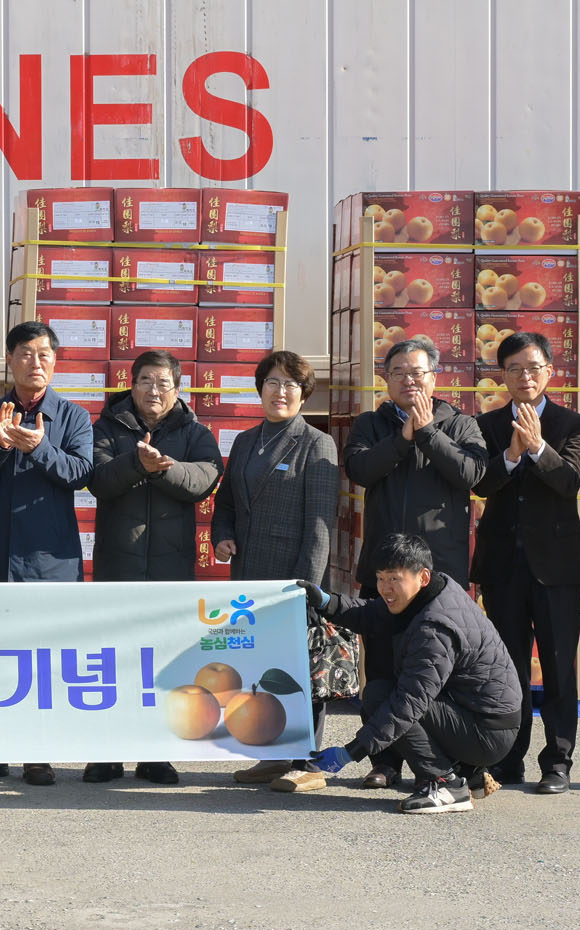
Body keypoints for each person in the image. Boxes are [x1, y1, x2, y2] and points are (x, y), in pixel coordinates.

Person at [342, 334, 487, 789]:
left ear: (434, 378)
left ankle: (442, 764)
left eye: (417, 372)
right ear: (385, 379)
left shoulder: (460, 424)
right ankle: (385, 762)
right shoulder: (370, 424)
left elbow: (471, 472)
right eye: (398, 372)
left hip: (437, 579)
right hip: (385, 574)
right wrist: (403, 438)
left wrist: (426, 433)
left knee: (437, 671)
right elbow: (360, 470)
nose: (409, 380)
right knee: (382, 669)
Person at [0, 320, 93, 786]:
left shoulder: (73, 417)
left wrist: (40, 449)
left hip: (48, 557)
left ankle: (39, 754)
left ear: (55, 362)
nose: (35, 362)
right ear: (9, 360)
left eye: (44, 354)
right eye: (26, 353)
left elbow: (81, 473)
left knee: (43, 658)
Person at [304, 533, 523, 814]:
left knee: (384, 698)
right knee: (381, 694)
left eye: (395, 578)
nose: (385, 588)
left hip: (487, 732)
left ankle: (446, 784)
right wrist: (326, 602)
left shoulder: (435, 628)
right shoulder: (431, 593)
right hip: (472, 714)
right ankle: (466, 772)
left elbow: (408, 705)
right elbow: (373, 613)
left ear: (423, 577)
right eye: (381, 578)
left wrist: (352, 751)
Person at [85, 349, 223, 786]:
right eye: (146, 380)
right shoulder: (107, 427)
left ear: (177, 390)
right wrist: (135, 464)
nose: (154, 390)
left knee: (165, 666)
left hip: (170, 570)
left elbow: (204, 479)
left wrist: (161, 469)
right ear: (132, 385)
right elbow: (97, 478)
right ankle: (106, 755)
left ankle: (156, 756)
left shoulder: (195, 432)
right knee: (114, 663)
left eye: (163, 383)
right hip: (117, 568)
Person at [211, 350, 343, 794]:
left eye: (290, 384)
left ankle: (308, 763)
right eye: (272, 382)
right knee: (262, 667)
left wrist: (307, 588)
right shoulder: (246, 441)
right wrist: (222, 535)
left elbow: (320, 526)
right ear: (260, 389)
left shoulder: (317, 443)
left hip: (292, 579)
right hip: (249, 578)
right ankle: (272, 756)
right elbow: (227, 502)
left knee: (302, 670)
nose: (280, 391)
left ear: (304, 394)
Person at [473, 331, 580, 794]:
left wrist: (540, 447)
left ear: (549, 372)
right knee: (508, 667)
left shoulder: (574, 425)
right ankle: (508, 759)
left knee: (560, 667)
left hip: (558, 567)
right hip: (502, 565)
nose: (525, 377)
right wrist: (511, 454)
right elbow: (480, 484)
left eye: (533, 368)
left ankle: (558, 762)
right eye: (514, 369)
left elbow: (570, 481)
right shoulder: (486, 425)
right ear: (502, 375)